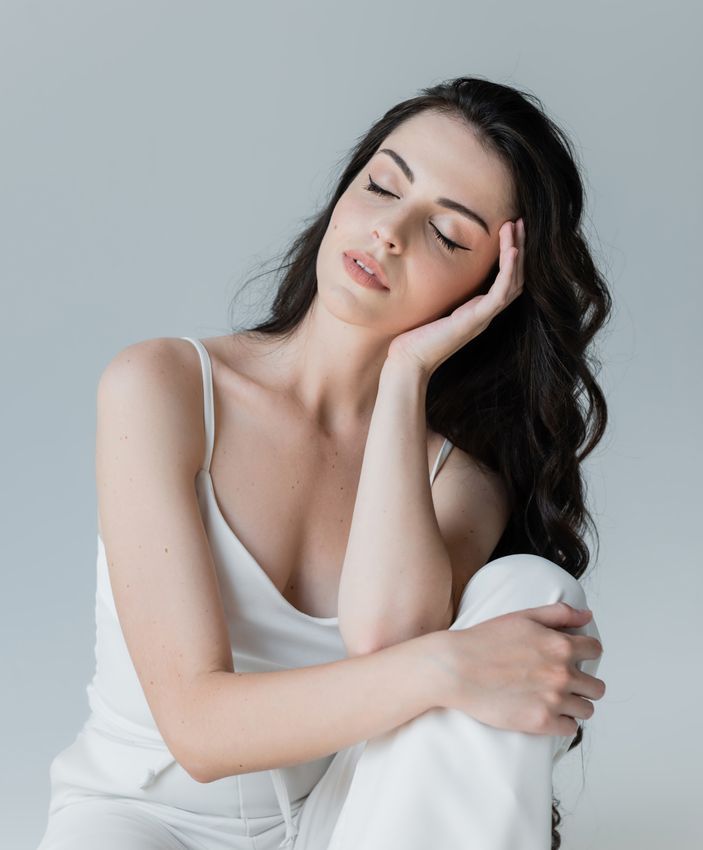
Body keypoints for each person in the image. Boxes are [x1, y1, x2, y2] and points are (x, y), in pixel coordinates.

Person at [37, 76, 610, 850]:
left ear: (489, 289)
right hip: (137, 819)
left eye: (447, 234)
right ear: (347, 188)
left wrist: (407, 374)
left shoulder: (459, 482)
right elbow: (197, 731)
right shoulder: (163, 388)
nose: (389, 234)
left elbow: (387, 637)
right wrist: (447, 667)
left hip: (334, 822)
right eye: (382, 186)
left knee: (527, 589)